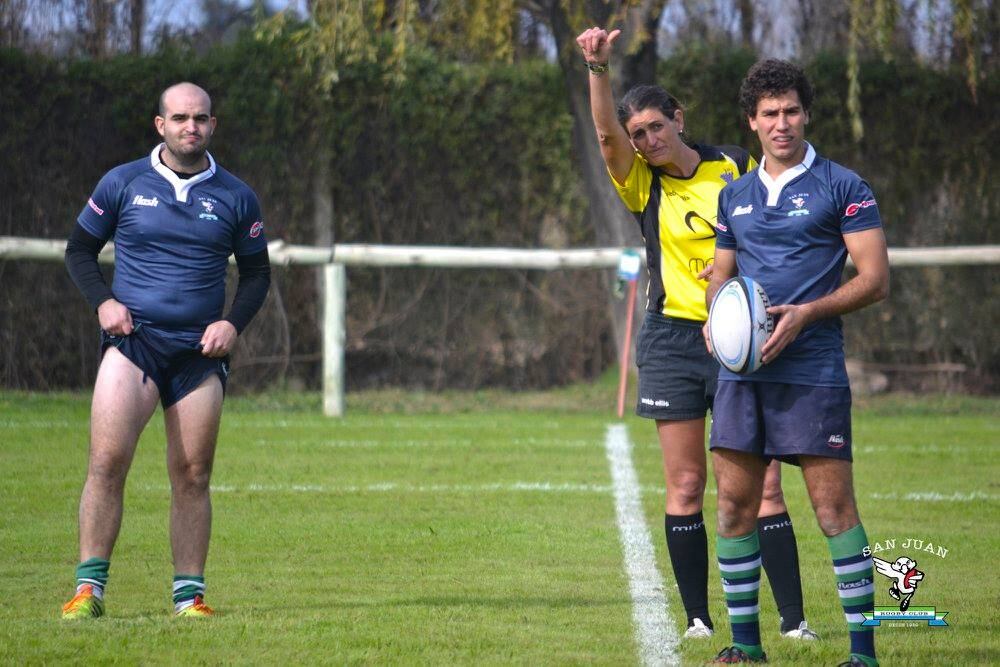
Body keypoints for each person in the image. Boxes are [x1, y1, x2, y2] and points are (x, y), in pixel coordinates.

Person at [575, 28, 816, 641]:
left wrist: (738, 274)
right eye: (639, 135)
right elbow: (604, 138)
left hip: (739, 338)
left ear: (678, 119)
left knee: (765, 487)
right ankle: (699, 621)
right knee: (686, 484)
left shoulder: (735, 165)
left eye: (657, 127)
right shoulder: (641, 182)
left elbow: (771, 232)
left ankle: (793, 622)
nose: (649, 141)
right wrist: (597, 68)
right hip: (673, 341)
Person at [61, 82, 271, 619]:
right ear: (161, 124)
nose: (190, 127)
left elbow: (256, 273)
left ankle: (189, 599)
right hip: (134, 347)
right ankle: (88, 591)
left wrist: (232, 323)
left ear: (212, 125)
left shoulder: (236, 195)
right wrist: (103, 303)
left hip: (198, 355)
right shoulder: (122, 182)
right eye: (179, 117)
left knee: (193, 474)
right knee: (107, 463)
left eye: (200, 118)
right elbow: (80, 249)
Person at [705, 59, 889, 665]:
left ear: (805, 114)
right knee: (733, 506)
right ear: (751, 122)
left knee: (833, 510)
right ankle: (747, 648)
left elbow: (875, 279)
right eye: (769, 114)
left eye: (791, 111)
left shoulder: (844, 186)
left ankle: (862, 654)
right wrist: (715, 319)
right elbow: (723, 279)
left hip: (812, 370)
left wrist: (807, 314)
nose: (781, 124)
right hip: (742, 375)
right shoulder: (734, 196)